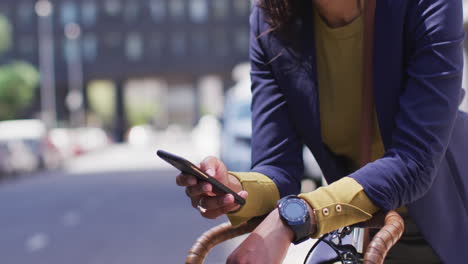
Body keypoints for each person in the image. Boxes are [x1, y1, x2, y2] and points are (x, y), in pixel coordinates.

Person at [176, 0, 468, 263]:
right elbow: (277, 170)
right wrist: (233, 187)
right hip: (359, 236)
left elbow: (414, 161)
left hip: (453, 224)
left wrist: (296, 217)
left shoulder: (427, 4)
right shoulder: (269, 20)